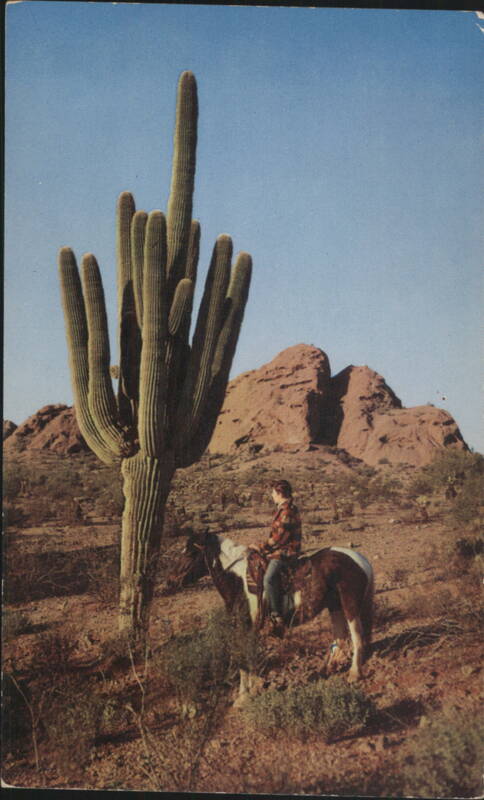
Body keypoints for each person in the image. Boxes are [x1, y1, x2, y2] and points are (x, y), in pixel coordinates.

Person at [250, 479, 302, 629]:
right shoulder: (285, 508)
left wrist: (260, 546)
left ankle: (276, 615)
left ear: (279, 493)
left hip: (286, 552)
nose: (272, 496)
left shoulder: (286, 511)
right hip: (281, 548)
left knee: (268, 579)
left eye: (273, 493)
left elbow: (280, 538)